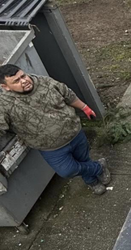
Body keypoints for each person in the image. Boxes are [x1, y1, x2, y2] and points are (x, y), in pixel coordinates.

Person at [0, 64, 110, 195]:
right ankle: (98, 167)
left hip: (74, 133)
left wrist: (84, 107)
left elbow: (67, 94)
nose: (24, 81)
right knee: (67, 171)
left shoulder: (45, 82)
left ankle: (92, 181)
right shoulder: (4, 105)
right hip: (51, 148)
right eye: (16, 81)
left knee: (84, 159)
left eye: (23, 76)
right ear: (5, 87)